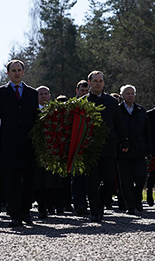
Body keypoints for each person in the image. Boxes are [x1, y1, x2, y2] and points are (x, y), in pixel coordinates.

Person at [0, 60, 39, 227]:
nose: (16, 73)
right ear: (8, 73)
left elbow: (37, 118)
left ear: (23, 72)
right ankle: (14, 214)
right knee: (10, 181)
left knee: (29, 180)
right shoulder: (0, 92)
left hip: (28, 144)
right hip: (8, 144)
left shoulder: (32, 93)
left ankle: (25, 211)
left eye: (19, 70)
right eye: (13, 70)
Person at [85, 71, 129, 222]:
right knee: (92, 181)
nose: (98, 83)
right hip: (90, 148)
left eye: (100, 81)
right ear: (89, 83)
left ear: (104, 83)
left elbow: (118, 123)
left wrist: (124, 140)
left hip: (109, 146)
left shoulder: (111, 101)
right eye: (95, 81)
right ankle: (95, 211)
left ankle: (102, 203)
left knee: (109, 180)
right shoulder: (83, 101)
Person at [117, 85, 152, 215]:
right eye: (127, 94)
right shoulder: (118, 111)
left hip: (139, 151)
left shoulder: (141, 111)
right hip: (124, 152)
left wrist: (149, 150)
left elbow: (147, 132)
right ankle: (130, 205)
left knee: (141, 177)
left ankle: (137, 199)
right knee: (126, 181)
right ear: (122, 96)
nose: (130, 96)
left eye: (132, 93)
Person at [34, 86, 62, 219]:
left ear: (50, 96)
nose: (43, 96)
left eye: (46, 94)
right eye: (40, 94)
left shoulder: (55, 111)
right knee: (39, 181)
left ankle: (51, 204)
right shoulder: (32, 111)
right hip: (37, 151)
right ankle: (41, 207)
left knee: (52, 180)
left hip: (52, 150)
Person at [72, 80, 90, 215]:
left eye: (86, 91)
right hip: (75, 145)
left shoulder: (92, 105)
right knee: (77, 177)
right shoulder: (72, 106)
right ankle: (79, 203)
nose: (84, 93)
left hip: (89, 146)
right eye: (82, 91)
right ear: (77, 91)